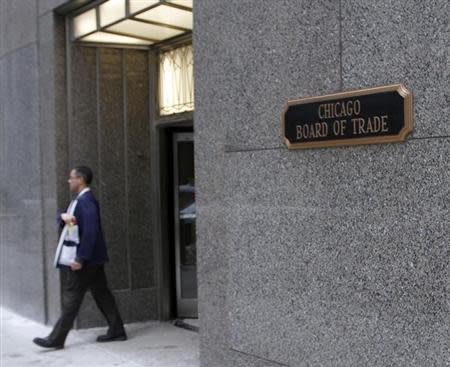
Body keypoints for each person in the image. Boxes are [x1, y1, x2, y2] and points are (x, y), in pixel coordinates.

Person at [33, 166, 127, 349]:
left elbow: (91, 232)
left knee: (72, 298)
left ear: (81, 179)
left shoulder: (86, 201)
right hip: (93, 259)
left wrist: (80, 258)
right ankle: (117, 330)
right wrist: (63, 217)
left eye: (71, 177)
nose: (69, 181)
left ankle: (56, 339)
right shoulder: (80, 200)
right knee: (102, 294)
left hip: (86, 261)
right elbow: (71, 220)